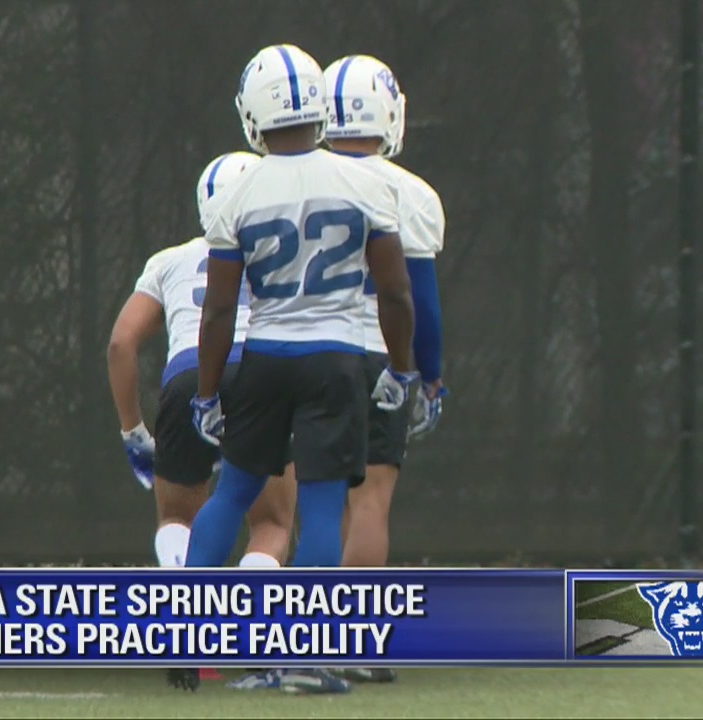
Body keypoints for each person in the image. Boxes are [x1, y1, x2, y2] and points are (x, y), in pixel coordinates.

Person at [175, 43, 419, 694]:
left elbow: (222, 308)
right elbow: (395, 294)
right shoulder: (367, 184)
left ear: (252, 115)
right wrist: (401, 368)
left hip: (265, 356)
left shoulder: (241, 190)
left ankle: (184, 633)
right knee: (320, 504)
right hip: (335, 359)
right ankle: (305, 654)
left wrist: (206, 394)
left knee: (232, 492)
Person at [320, 53, 448, 685]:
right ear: (390, 112)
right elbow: (418, 299)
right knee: (370, 502)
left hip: (299, 354)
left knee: (312, 501)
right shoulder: (410, 192)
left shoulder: (284, 179)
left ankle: (296, 639)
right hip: (377, 354)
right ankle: (353, 642)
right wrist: (431, 374)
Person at [107, 150, 295, 575]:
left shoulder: (169, 261)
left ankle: (182, 601)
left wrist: (133, 430)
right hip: (261, 376)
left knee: (177, 519)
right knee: (270, 523)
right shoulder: (287, 258)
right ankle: (250, 617)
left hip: (189, 378)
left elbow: (121, 343)